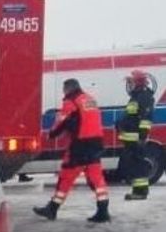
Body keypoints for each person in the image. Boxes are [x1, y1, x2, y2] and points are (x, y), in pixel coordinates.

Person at [34, 78, 110, 222]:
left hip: (79, 145)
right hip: (96, 144)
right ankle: (103, 210)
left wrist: (51, 134)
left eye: (64, 90)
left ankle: (52, 208)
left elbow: (61, 121)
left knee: (66, 176)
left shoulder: (70, 102)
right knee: (97, 178)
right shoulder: (90, 99)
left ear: (68, 89)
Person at [117, 69, 155, 200]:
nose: (129, 84)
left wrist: (142, 137)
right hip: (131, 139)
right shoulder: (136, 96)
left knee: (138, 165)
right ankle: (138, 191)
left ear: (138, 82)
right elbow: (131, 116)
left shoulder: (144, 96)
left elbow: (146, 118)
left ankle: (140, 192)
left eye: (130, 81)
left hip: (136, 139)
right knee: (133, 165)